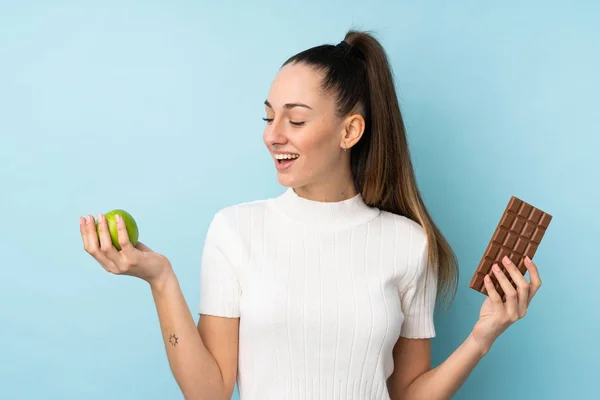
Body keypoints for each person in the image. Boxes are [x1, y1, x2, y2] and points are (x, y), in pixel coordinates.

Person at [79, 29, 543, 400]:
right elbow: (209, 393)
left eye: (295, 120)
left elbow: (408, 395)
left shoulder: (408, 243)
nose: (273, 136)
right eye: (268, 118)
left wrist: (484, 335)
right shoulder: (235, 230)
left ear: (350, 131)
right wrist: (161, 280)